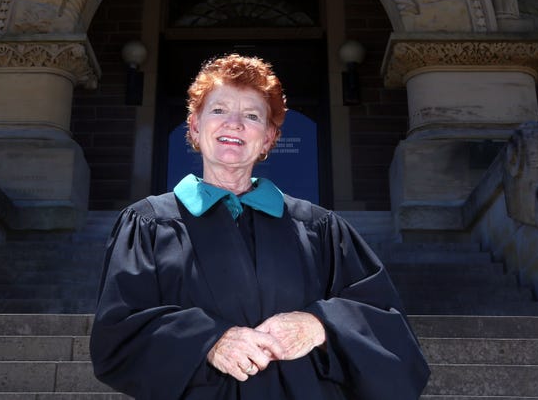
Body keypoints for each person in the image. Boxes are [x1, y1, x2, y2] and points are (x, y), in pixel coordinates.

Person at [90, 54, 429, 399]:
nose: (234, 124)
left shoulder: (321, 230)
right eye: (219, 110)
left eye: (251, 116)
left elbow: (392, 332)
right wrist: (207, 340)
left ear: (268, 139)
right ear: (194, 126)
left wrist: (320, 326)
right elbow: (117, 336)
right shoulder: (148, 225)